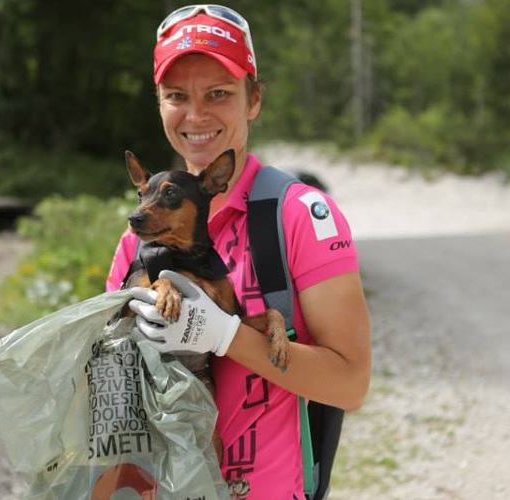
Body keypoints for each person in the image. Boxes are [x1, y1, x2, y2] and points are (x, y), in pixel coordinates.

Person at [105, 5, 371, 498]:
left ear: (254, 100)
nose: (196, 115)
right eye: (176, 96)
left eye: (219, 94)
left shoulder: (298, 217)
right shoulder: (137, 242)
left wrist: (226, 334)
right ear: (160, 105)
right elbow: (114, 396)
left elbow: (351, 384)